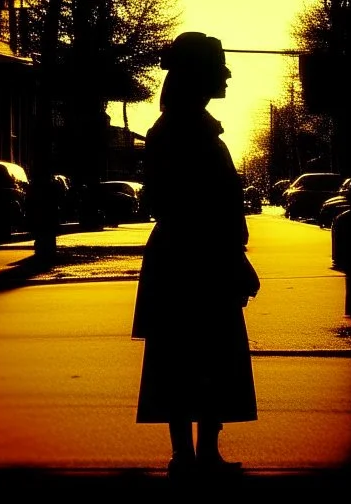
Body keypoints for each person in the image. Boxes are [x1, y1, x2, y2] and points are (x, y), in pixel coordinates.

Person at [131, 31, 260, 480]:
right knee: (200, 353)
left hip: (183, 256)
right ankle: (194, 454)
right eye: (217, 70)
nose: (225, 78)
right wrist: (232, 256)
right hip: (196, 258)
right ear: (197, 76)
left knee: (185, 354)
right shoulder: (188, 133)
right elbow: (196, 205)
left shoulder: (179, 129)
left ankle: (196, 452)